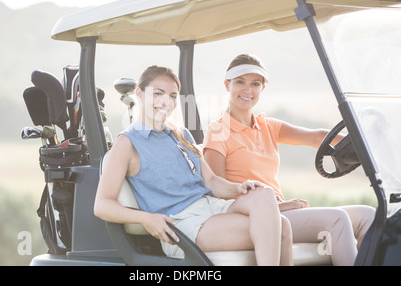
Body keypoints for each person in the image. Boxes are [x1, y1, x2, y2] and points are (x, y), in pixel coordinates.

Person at [94, 65, 293, 266]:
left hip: (213, 207)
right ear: (139, 93)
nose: (166, 101)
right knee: (280, 227)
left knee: (266, 194)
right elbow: (102, 205)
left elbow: (211, 181)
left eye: (172, 96)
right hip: (182, 224)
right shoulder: (127, 143)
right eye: (158, 93)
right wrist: (145, 218)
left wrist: (238, 187)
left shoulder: (181, 135)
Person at [203, 54, 376, 266]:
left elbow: (315, 136)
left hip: (281, 209)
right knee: (337, 220)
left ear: (262, 89)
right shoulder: (218, 131)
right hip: (260, 217)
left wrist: (366, 145)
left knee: (367, 215)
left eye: (255, 84)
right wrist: (280, 207)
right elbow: (219, 193)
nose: (248, 90)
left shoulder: (267, 126)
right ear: (227, 85)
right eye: (240, 82)